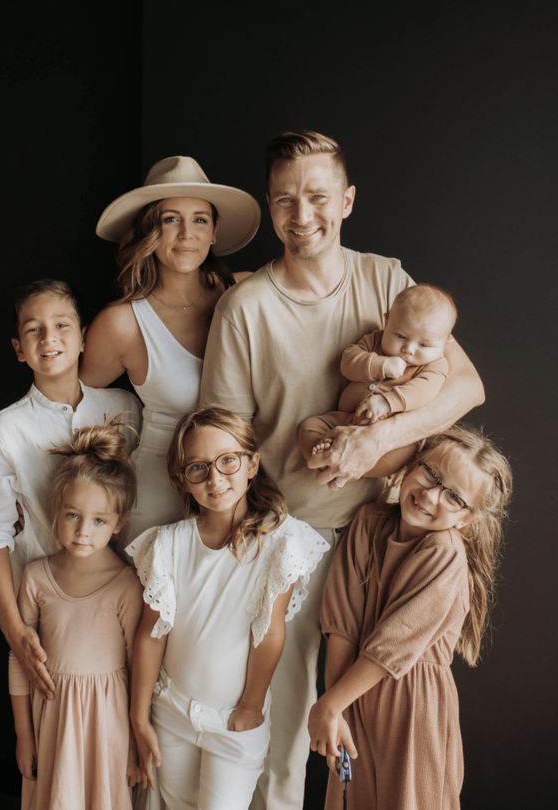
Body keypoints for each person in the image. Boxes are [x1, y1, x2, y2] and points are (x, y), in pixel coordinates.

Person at [199, 130, 485, 810]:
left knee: (374, 729)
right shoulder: (245, 308)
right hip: (290, 542)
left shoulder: (386, 280)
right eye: (285, 201)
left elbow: (465, 386)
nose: (302, 216)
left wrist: (377, 438)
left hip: (388, 541)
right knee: (284, 738)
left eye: (318, 197)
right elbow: (225, 436)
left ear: (347, 200)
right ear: (270, 208)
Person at [127, 407, 329, 810]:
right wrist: (138, 715)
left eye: (228, 462)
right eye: (198, 468)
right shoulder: (169, 544)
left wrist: (251, 705)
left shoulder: (280, 542)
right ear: (182, 480)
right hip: (172, 711)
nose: (215, 479)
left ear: (252, 464)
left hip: (234, 722)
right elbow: (151, 636)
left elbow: (270, 632)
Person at [307, 425, 512, 810]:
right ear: (413, 464)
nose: (431, 495)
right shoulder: (368, 523)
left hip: (413, 708)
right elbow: (343, 627)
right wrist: (336, 709)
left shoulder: (445, 552)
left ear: (467, 520)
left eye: (454, 497)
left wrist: (331, 704)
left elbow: (391, 647)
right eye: (431, 474)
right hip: (353, 694)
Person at [0, 278, 141, 698]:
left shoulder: (124, 407)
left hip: (122, 593)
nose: (49, 339)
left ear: (83, 339)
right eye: (34, 329)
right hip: (50, 602)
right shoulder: (4, 430)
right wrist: (14, 627)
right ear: (19, 349)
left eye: (62, 325)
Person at [81, 156, 260, 542]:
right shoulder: (122, 323)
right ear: (149, 230)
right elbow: (68, 408)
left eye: (199, 219)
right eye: (170, 219)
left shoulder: (246, 294)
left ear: (214, 231)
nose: (186, 233)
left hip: (238, 493)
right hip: (158, 498)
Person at [9, 421, 143, 810]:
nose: (83, 531)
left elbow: (138, 668)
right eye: (72, 515)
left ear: (118, 523)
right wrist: (24, 735)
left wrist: (134, 744)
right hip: (51, 721)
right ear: (57, 511)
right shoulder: (36, 577)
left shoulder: (125, 585)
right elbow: (19, 660)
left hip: (107, 724)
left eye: (99, 520)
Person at [299, 283, 458, 463]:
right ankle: (323, 454)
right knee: (309, 427)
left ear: (446, 343)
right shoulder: (374, 340)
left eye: (424, 345)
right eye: (400, 336)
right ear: (387, 321)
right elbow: (348, 362)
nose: (409, 349)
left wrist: (386, 402)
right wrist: (380, 365)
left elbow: (421, 391)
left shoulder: (436, 365)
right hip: (345, 419)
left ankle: (343, 463)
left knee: (401, 456)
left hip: (387, 434)